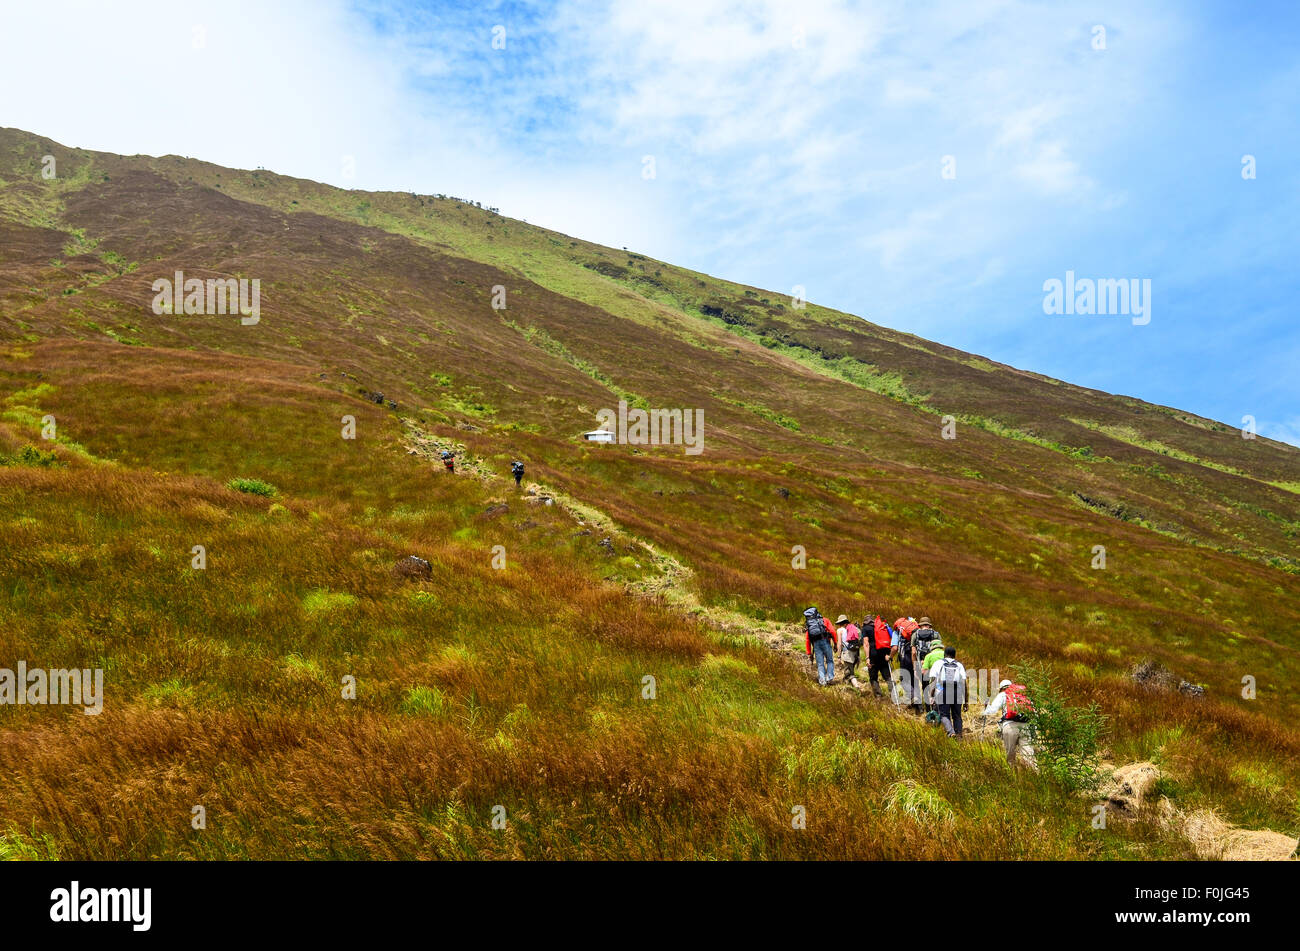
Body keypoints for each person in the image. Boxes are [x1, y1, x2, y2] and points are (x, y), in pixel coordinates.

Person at [984, 679, 1035, 766]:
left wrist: (987, 705)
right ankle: (1035, 775)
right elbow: (1033, 711)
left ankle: (1012, 776)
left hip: (1010, 726)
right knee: (1029, 756)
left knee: (1010, 757)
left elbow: (992, 711)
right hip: (1026, 726)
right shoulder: (1022, 695)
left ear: (1001, 688)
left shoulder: (1003, 695)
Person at [930, 646, 967, 738]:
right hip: (957, 693)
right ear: (954, 655)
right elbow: (964, 684)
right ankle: (959, 736)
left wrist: (931, 696)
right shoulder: (959, 665)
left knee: (944, 715)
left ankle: (951, 732)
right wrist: (966, 701)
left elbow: (933, 681)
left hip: (942, 691)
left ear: (944, 654)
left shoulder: (938, 663)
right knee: (957, 716)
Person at [862, 614, 897, 700]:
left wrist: (867, 658)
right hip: (884, 654)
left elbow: (866, 643)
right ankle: (895, 695)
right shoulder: (881, 627)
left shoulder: (866, 629)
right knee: (887, 675)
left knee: (873, 676)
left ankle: (878, 696)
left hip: (873, 655)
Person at [803, 607, 838, 686]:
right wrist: (835, 643)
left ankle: (822, 681)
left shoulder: (809, 623)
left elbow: (808, 639)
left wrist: (809, 652)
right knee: (829, 660)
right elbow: (832, 631)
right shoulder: (825, 620)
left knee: (820, 663)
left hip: (816, 644)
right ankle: (829, 678)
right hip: (825, 641)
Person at [912, 618, 942, 712]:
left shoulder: (915, 634)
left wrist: (914, 666)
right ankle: (935, 708)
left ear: (920, 625)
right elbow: (939, 649)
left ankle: (926, 709)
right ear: (929, 625)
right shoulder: (936, 634)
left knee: (924, 685)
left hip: (921, 664)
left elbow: (913, 652)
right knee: (935, 686)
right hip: (934, 665)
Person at [894, 617, 919, 709]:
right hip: (916, 658)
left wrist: (890, 656)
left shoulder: (898, 632)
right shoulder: (916, 630)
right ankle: (917, 706)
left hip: (905, 657)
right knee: (914, 680)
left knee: (904, 680)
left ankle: (913, 697)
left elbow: (895, 648)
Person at [835, 615, 863, 689]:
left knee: (850, 673)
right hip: (855, 653)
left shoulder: (840, 630)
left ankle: (857, 687)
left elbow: (840, 644)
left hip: (847, 653)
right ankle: (848, 687)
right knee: (848, 671)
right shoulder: (853, 628)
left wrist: (839, 656)